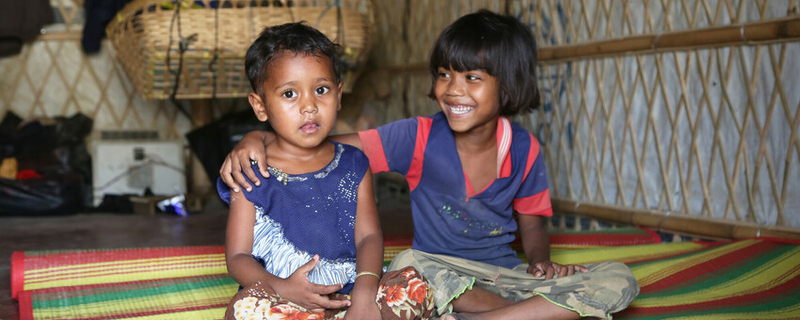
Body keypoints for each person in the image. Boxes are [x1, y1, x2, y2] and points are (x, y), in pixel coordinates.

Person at [220, 10, 639, 320]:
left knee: (620, 276)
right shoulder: (416, 137)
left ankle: (516, 310)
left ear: (507, 84)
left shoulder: (526, 149)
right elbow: (315, 146)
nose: (453, 90)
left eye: (471, 78)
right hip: (439, 273)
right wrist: (254, 138)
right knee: (409, 264)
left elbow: (531, 224)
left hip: (507, 277)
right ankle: (540, 314)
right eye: (443, 75)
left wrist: (541, 264)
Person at [218, 22, 434, 320]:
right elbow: (238, 258)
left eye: (321, 90)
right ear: (260, 106)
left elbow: (368, 237)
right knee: (245, 309)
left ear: (339, 94)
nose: (309, 106)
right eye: (290, 94)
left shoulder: (354, 163)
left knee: (415, 285)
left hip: (349, 287)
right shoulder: (251, 171)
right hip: (285, 293)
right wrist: (284, 289)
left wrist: (364, 293)